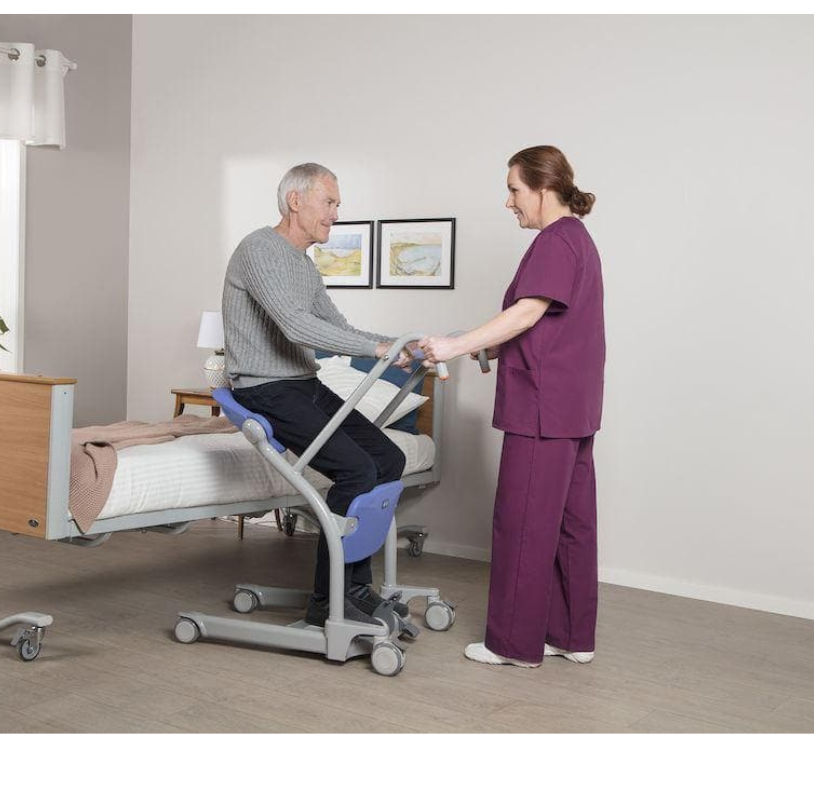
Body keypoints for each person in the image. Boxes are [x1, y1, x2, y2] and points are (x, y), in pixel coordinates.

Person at [419, 145, 605, 667]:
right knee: (571, 524)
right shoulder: (579, 241)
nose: (509, 202)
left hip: (543, 411)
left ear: (543, 189)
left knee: (523, 522)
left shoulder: (554, 241)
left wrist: (454, 346)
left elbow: (529, 309)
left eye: (514, 189)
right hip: (573, 407)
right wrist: (492, 345)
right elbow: (551, 323)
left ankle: (514, 645)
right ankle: (572, 636)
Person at [223, 162, 413, 628]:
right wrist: (378, 348)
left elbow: (337, 328)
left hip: (303, 384)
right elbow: (296, 324)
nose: (335, 213)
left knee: (387, 460)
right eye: (329, 203)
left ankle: (355, 589)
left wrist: (401, 348)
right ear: (296, 201)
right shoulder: (258, 250)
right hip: (265, 389)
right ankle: (329, 601)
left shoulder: (302, 264)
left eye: (336, 205)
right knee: (356, 469)